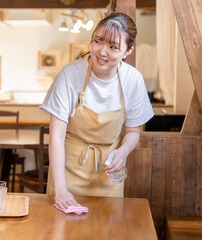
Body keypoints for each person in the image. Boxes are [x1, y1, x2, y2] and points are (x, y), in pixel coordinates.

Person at [40, 12, 154, 209]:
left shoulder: (133, 80)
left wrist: (123, 152)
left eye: (113, 47)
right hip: (67, 174)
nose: (102, 51)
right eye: (98, 41)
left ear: (128, 51)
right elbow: (56, 137)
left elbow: (134, 132)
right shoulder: (69, 75)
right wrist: (60, 189)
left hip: (108, 176)